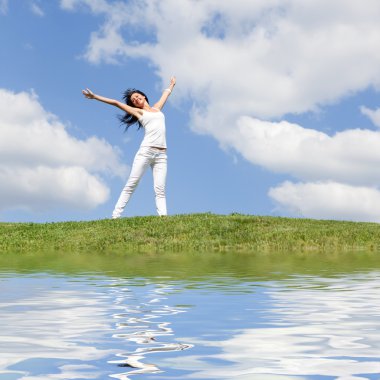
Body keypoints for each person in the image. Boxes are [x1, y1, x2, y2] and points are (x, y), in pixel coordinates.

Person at [82, 76, 176, 219]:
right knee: (132, 183)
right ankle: (115, 216)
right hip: (146, 151)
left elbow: (165, 95)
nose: (136, 100)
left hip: (162, 155)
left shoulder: (157, 108)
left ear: (143, 96)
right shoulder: (139, 112)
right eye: (133, 100)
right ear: (135, 105)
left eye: (137, 97)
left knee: (160, 189)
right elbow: (115, 103)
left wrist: (171, 85)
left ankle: (163, 218)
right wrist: (95, 96)